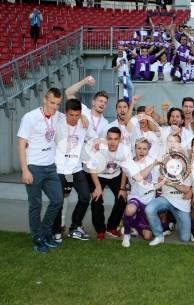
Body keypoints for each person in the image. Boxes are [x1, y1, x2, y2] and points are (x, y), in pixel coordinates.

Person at [17, 88, 64, 252]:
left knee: (58, 200)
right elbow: (21, 144)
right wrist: (25, 170)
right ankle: (37, 237)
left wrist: (85, 118)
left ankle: (45, 232)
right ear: (45, 99)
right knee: (35, 204)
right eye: (52, 103)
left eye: (58, 104)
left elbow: (75, 114)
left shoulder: (58, 116)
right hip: (33, 167)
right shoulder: (30, 117)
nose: (55, 107)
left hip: (50, 167)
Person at [83, 127, 139, 240]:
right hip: (98, 174)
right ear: (106, 139)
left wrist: (122, 188)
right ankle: (100, 229)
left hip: (115, 174)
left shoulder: (125, 150)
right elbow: (91, 169)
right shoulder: (98, 148)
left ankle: (112, 227)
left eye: (115, 139)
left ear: (120, 139)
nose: (112, 142)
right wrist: (98, 187)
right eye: (110, 139)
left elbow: (125, 170)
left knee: (122, 199)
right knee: (96, 198)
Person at [53, 99, 92, 243]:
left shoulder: (83, 123)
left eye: (77, 115)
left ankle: (75, 226)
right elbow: (68, 93)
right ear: (65, 113)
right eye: (71, 115)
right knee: (58, 200)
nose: (74, 118)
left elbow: (93, 138)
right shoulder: (58, 122)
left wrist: (84, 118)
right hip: (60, 169)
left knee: (85, 197)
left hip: (75, 169)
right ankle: (56, 230)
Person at [145, 135, 193, 246]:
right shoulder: (162, 161)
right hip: (166, 198)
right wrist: (160, 181)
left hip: (181, 202)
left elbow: (186, 189)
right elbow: (157, 184)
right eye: (170, 141)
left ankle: (179, 221)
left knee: (185, 238)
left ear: (180, 144)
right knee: (149, 209)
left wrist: (173, 184)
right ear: (166, 144)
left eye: (176, 141)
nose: (172, 143)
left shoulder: (186, 163)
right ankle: (159, 235)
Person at [121, 138, 161, 247]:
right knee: (129, 210)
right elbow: (139, 177)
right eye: (139, 148)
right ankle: (127, 234)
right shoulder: (130, 164)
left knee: (148, 236)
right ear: (135, 148)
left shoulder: (153, 160)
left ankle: (133, 225)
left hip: (149, 199)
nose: (141, 151)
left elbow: (158, 179)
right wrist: (153, 164)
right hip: (136, 196)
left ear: (149, 150)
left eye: (145, 149)